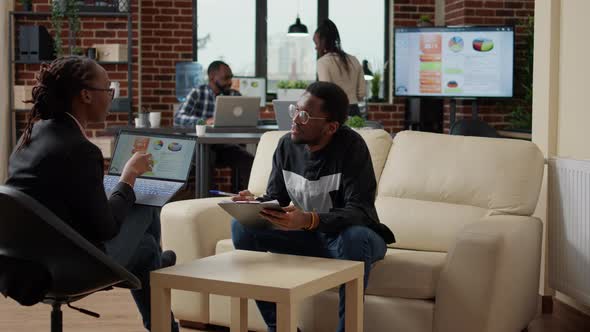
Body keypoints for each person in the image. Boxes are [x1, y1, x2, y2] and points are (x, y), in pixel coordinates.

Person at [5, 56, 179, 332]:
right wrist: (129, 176)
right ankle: (155, 266)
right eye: (108, 90)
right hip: (70, 266)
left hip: (23, 263)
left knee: (145, 249)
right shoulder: (80, 149)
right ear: (85, 95)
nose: (111, 97)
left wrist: (109, 186)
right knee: (147, 204)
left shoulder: (33, 134)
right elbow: (105, 228)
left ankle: (154, 265)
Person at [231, 81, 395, 332]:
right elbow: (278, 198)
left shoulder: (352, 148)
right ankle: (280, 327)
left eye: (305, 115)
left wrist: (309, 220)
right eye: (295, 111)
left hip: (351, 238)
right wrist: (254, 204)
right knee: (242, 227)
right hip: (309, 237)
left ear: (331, 127)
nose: (295, 120)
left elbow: (359, 211)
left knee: (355, 237)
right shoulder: (286, 145)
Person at [174, 60, 254, 191]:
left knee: (248, 160)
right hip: (199, 147)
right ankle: (208, 201)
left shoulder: (234, 95)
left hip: (224, 146)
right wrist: (204, 122)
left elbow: (247, 119)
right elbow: (178, 118)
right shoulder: (198, 92)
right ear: (212, 77)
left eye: (231, 77)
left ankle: (245, 199)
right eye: (226, 78)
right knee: (207, 159)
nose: (230, 82)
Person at [314, 19, 366, 117]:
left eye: (316, 43)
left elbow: (326, 93)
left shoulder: (323, 62)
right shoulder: (354, 60)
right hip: (355, 112)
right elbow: (362, 93)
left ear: (323, 42)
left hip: (335, 112)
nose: (315, 47)